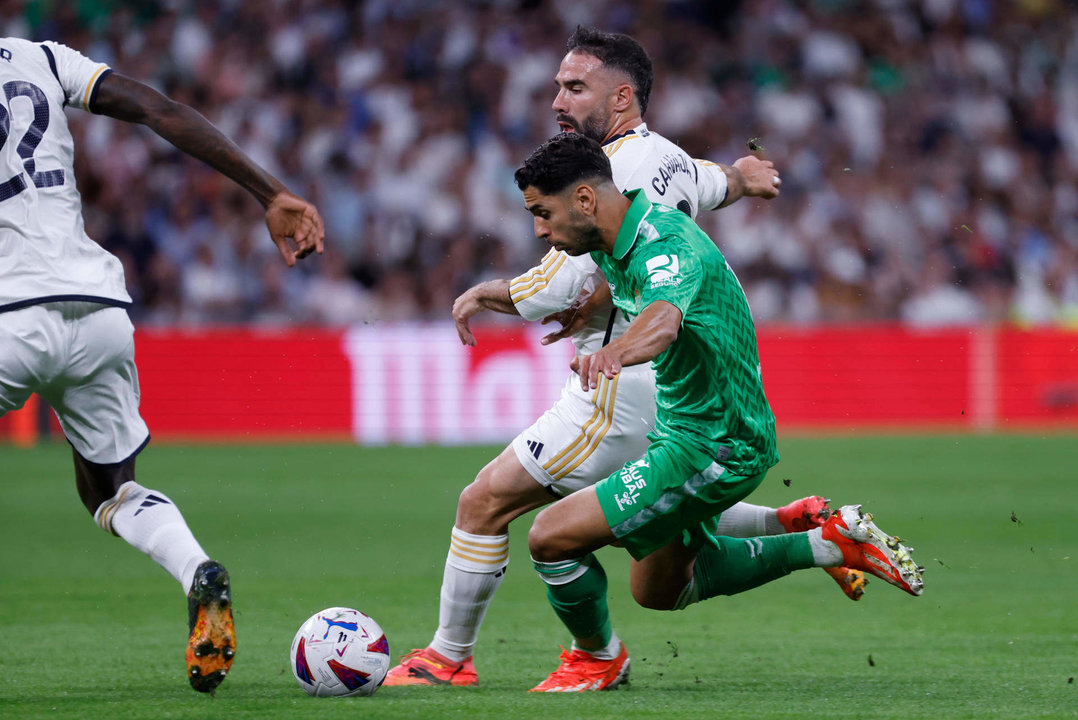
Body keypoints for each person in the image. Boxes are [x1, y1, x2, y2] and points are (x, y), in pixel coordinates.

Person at [385, 27, 863, 690]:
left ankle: (452, 657)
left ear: (620, 96)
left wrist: (484, 294)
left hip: (614, 388)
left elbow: (560, 285)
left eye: (573, 87)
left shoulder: (613, 173)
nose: (556, 98)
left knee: (487, 503)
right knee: (657, 565)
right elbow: (710, 181)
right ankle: (796, 527)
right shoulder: (664, 157)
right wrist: (745, 178)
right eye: (557, 85)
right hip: (666, 395)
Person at [518, 131, 924, 691]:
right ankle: (823, 540)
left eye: (543, 213)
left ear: (585, 201)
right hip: (690, 431)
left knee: (552, 536)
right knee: (657, 590)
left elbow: (662, 319)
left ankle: (596, 660)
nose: (539, 229)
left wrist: (616, 350)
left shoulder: (663, 245)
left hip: (715, 445)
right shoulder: (619, 236)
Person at [0, 37, 324, 694]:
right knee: (110, 487)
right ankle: (197, 570)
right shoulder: (36, 55)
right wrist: (270, 193)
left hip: (9, 308)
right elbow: (156, 108)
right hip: (96, 306)